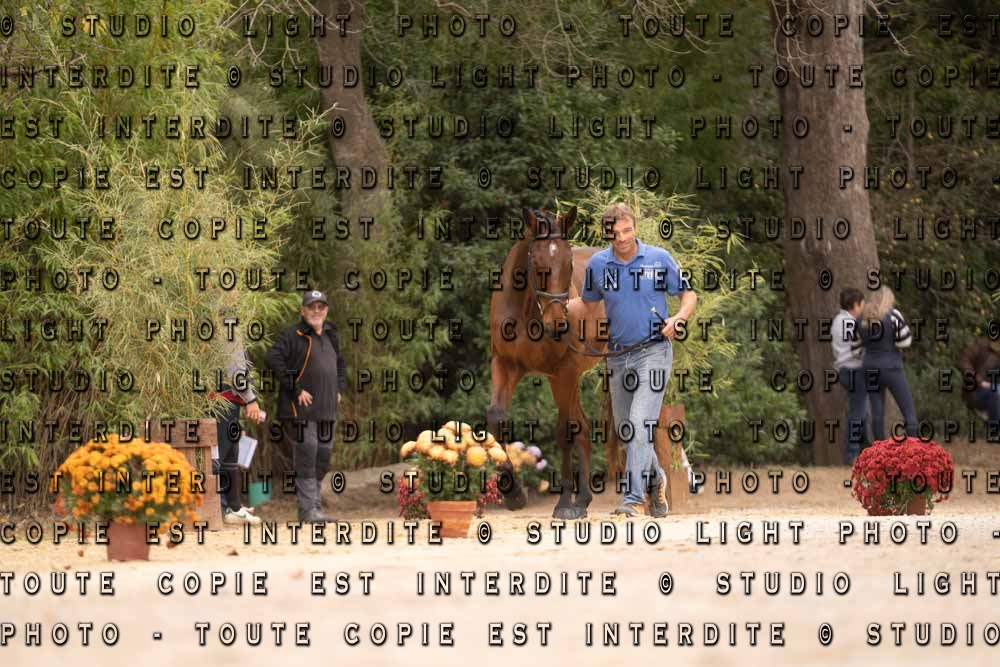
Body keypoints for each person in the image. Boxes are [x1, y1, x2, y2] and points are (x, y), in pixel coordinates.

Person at [567, 202, 697, 518]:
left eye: (627, 230)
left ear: (635, 228)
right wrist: (556, 309)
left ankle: (633, 499)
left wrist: (679, 318)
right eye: (616, 232)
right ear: (607, 233)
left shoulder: (658, 258)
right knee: (629, 431)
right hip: (617, 357)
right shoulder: (599, 264)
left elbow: (688, 294)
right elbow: (587, 304)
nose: (622, 237)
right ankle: (657, 478)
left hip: (654, 351)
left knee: (639, 425)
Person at [266, 290, 347, 523]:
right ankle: (307, 510)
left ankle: (315, 506)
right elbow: (273, 358)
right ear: (303, 310)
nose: (316, 311)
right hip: (300, 410)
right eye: (311, 307)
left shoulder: (331, 334)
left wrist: (339, 389)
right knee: (307, 454)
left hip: (327, 410)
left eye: (321, 307)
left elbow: (340, 364)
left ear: (326, 310)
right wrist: (296, 388)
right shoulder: (292, 335)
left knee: (322, 458)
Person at [850, 285, 917, 441]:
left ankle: (879, 449)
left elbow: (855, 350)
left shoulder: (860, 319)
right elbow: (905, 341)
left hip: (870, 368)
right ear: (889, 299)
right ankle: (914, 448)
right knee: (909, 413)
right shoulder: (893, 315)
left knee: (877, 413)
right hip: (892, 367)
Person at [212, 332, 265, 525]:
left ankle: (233, 508)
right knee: (218, 457)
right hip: (221, 399)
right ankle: (214, 509)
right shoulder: (228, 327)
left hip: (227, 400)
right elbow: (235, 370)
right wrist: (250, 399)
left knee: (230, 456)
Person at [831, 288, 870, 464]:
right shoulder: (851, 323)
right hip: (855, 370)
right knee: (858, 413)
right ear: (855, 304)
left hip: (845, 370)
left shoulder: (838, 321)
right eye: (862, 304)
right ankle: (851, 454)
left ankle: (866, 449)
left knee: (862, 412)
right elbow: (859, 349)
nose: (863, 308)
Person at [957, 336, 1000, 423]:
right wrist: (980, 381)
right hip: (976, 392)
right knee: (996, 392)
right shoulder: (983, 344)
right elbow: (963, 361)